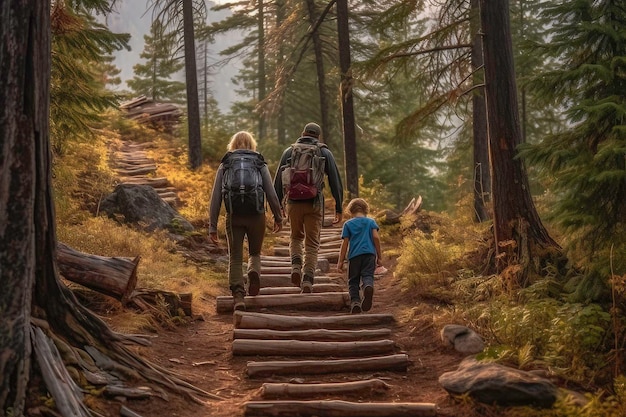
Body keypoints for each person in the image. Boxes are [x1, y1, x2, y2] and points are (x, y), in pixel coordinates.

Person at [209, 131, 283, 311]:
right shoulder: (258, 161)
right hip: (257, 214)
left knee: (235, 257)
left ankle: (238, 297)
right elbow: (270, 192)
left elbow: (216, 196)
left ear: (233, 144)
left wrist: (212, 225)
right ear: (252, 144)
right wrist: (278, 216)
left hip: (234, 216)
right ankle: (253, 271)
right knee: (254, 253)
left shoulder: (226, 163)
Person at [274, 122, 343, 293]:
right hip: (315, 203)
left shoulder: (289, 151)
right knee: (312, 244)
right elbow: (335, 180)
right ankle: (308, 280)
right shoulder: (324, 152)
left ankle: (296, 266)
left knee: (296, 237)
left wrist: (278, 209)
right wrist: (339, 207)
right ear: (318, 137)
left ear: (303, 133)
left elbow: (277, 180)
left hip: (293, 203)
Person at [337, 198, 382, 314]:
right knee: (368, 275)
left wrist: (340, 262)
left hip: (354, 256)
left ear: (350, 211)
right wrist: (379, 256)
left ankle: (355, 302)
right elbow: (376, 238)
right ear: (366, 209)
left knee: (353, 281)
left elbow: (345, 244)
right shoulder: (371, 222)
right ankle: (367, 286)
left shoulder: (348, 224)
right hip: (369, 255)